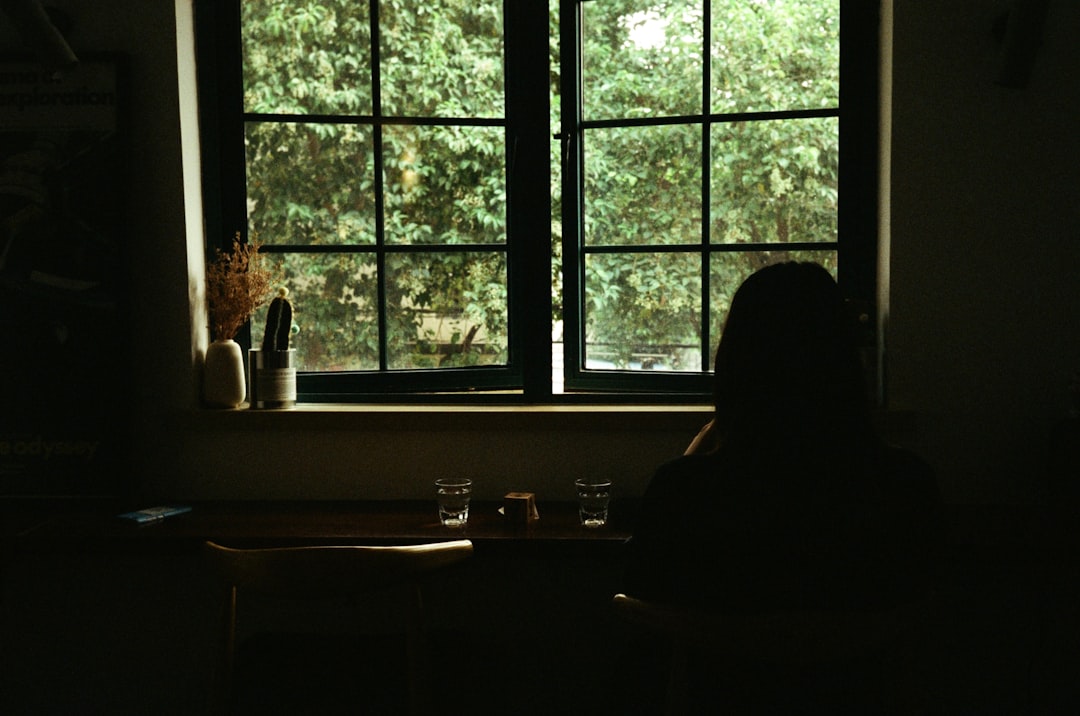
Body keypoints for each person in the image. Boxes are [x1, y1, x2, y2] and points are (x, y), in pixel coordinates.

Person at [617, 261, 943, 712]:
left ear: (735, 362)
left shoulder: (685, 491)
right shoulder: (905, 485)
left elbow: (641, 592)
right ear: (844, 361)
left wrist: (708, 442)